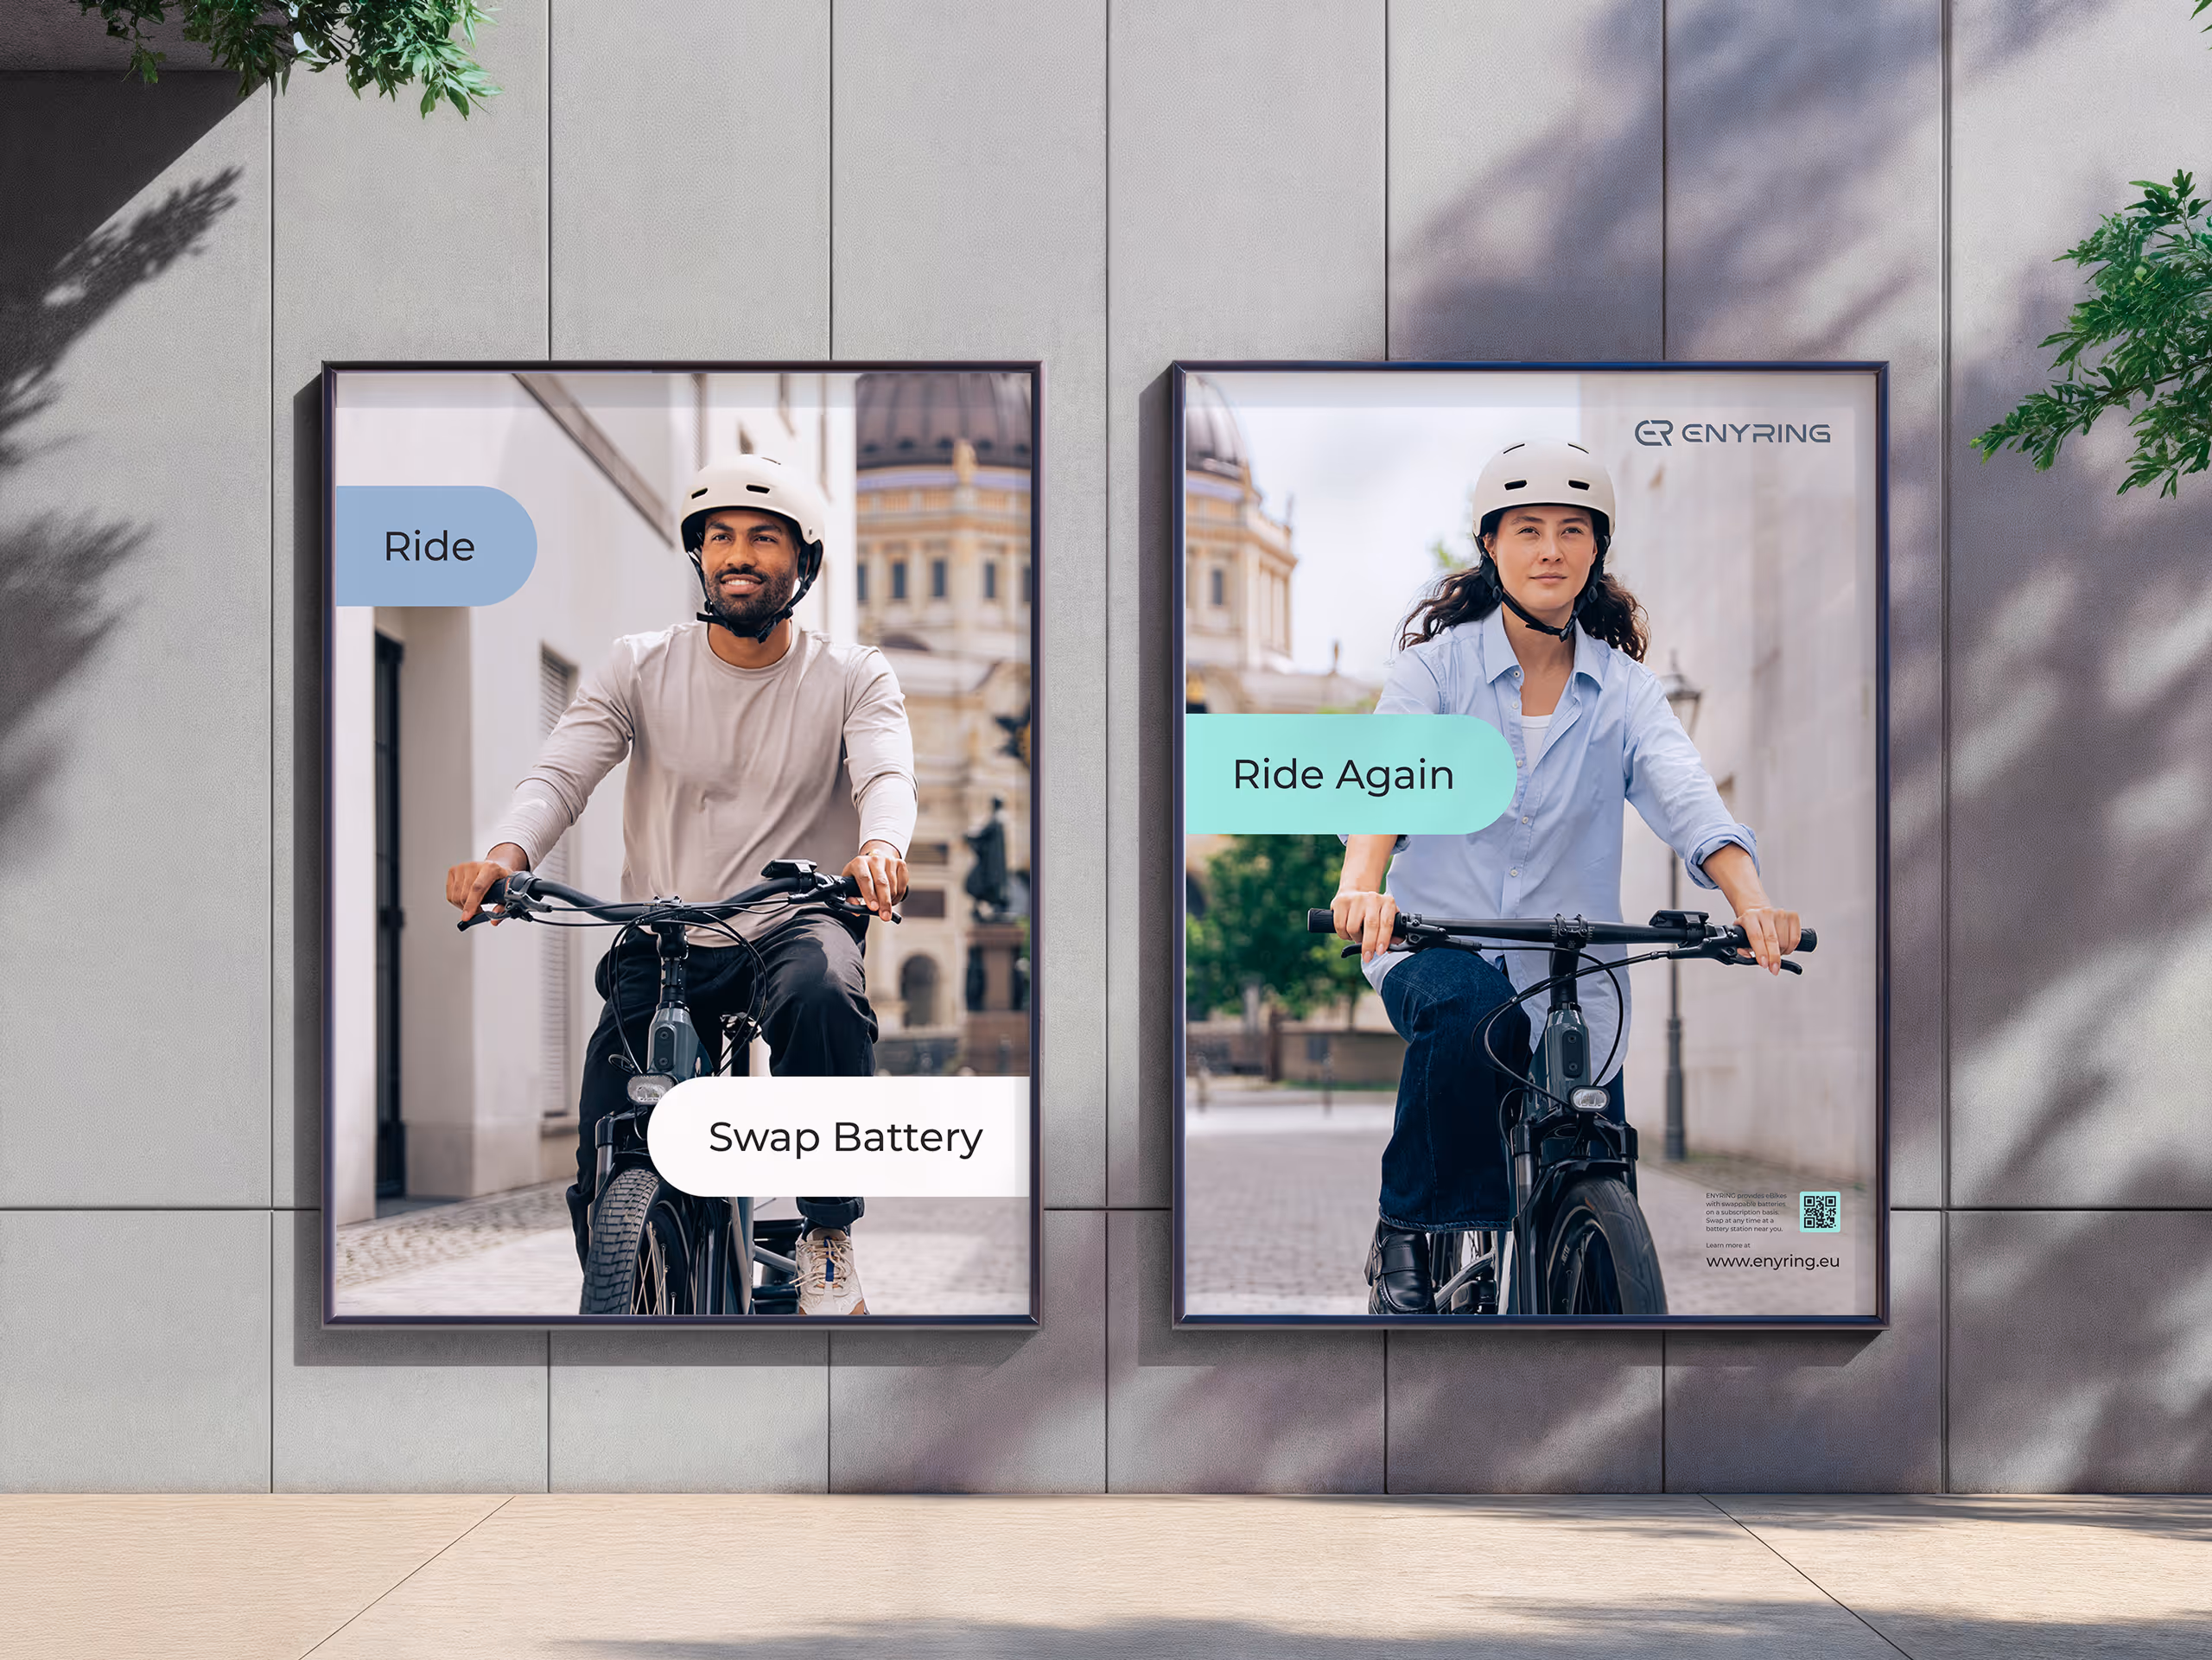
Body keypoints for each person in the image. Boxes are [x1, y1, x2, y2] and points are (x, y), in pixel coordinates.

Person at [1331, 439, 1800, 1315]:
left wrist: (1752, 901)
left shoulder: (1623, 690)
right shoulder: (1436, 670)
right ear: (1491, 547)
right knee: (1473, 1014)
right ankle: (1411, 1229)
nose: (1551, 548)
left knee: (1593, 1143)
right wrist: (1364, 881)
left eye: (1572, 530)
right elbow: (1385, 777)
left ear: (1595, 550)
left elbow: (1686, 792)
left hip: (1571, 967)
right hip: (1438, 941)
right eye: (1528, 529)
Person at [445, 455, 914, 1316]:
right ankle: (631, 1275)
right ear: (699, 557)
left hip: (790, 920)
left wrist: (881, 846)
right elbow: (562, 771)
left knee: (824, 992)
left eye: (763, 539)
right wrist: (504, 853)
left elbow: (885, 773)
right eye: (720, 537)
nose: (739, 554)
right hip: (664, 932)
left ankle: (826, 1231)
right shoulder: (638, 665)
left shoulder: (852, 673)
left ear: (802, 563)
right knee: (604, 1143)